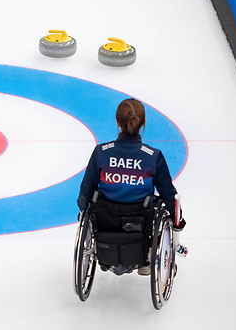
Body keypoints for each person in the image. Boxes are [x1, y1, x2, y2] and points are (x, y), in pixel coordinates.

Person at [77, 98, 186, 274]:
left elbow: (86, 190)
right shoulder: (153, 157)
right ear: (143, 123)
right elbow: (168, 194)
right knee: (156, 207)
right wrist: (177, 219)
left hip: (105, 220)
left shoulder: (102, 152)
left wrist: (82, 211)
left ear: (117, 122)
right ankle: (147, 260)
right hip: (140, 222)